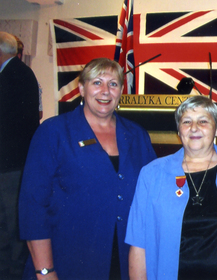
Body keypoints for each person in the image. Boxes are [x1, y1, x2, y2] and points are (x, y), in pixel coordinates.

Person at [19, 58, 157, 280]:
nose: (105, 91)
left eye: (113, 84)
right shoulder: (53, 132)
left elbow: (153, 197)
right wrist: (44, 272)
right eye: (97, 82)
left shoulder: (137, 135)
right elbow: (33, 207)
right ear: (81, 88)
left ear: (121, 90)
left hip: (124, 263)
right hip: (66, 264)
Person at [126, 95, 217, 280]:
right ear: (179, 130)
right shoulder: (152, 174)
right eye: (187, 122)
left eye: (203, 121)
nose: (194, 128)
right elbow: (138, 244)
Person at [0, 32, 40, 279]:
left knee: (11, 227)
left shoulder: (15, 75)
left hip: (11, 164)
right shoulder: (17, 72)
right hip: (10, 162)